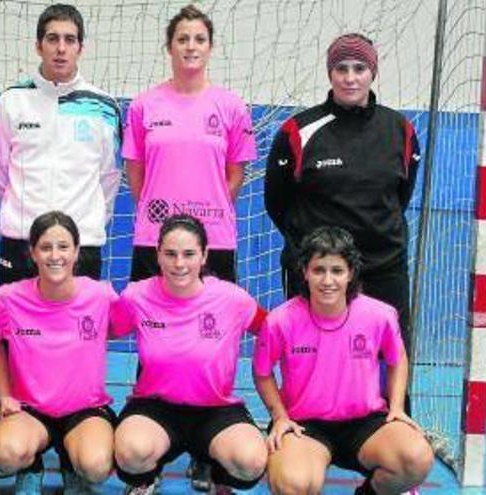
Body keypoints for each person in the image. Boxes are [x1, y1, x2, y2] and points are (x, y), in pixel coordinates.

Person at [265, 33, 420, 355]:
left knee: (390, 361)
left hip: (383, 268)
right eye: (341, 68)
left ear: (372, 72)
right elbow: (277, 202)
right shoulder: (298, 131)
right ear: (330, 73)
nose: (350, 78)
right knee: (315, 362)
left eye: (359, 68)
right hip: (316, 271)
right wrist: (316, 250)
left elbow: (400, 197)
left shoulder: (400, 130)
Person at [253, 226, 433, 494]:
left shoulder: (380, 315)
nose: (328, 280)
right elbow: (262, 372)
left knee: (416, 458)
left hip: (366, 423)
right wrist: (279, 416)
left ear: (350, 273)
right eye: (318, 270)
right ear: (305, 272)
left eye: (337, 270)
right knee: (292, 484)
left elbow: (398, 359)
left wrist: (396, 407)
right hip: (304, 426)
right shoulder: (280, 321)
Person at [112, 214, 268, 494]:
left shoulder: (232, 299)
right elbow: (102, 332)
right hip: (155, 408)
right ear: (158, 254)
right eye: (170, 254)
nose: (179, 263)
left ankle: (220, 479)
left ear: (204, 255)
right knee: (131, 453)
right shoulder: (136, 296)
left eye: (189, 254)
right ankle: (146, 480)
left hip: (216, 410)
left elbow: (276, 330)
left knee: (250, 461)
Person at [0, 211, 117, 495]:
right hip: (29, 411)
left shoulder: (101, 296)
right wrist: (4, 394)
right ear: (33, 253)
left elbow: (121, 326)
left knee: (96, 467)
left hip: (85, 410)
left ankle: (72, 465)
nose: (55, 256)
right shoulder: (8, 298)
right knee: (6, 454)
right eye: (45, 247)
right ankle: (31, 467)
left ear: (77, 252)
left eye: (63, 247)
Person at [124, 4, 256, 284]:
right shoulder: (143, 106)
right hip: (154, 237)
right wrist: (156, 209)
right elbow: (135, 171)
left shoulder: (233, 107)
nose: (191, 47)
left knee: (215, 313)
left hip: (214, 238)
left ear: (210, 47)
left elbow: (235, 175)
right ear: (169, 47)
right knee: (150, 312)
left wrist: (210, 210)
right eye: (182, 39)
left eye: (199, 39)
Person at [0, 3, 122, 285]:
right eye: (52, 39)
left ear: (80, 48)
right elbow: (1, 173)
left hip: (81, 243)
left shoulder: (104, 107)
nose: (61, 48)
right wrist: (24, 215)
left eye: (69, 40)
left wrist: (84, 223)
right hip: (21, 241)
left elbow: (109, 177)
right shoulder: (11, 101)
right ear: (38, 46)